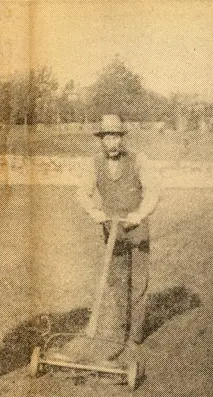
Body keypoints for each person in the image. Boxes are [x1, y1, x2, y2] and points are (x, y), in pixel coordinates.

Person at [62, 114, 159, 364]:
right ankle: (118, 332)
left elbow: (153, 192)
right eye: (107, 137)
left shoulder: (139, 160)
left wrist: (140, 214)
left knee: (138, 283)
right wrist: (94, 211)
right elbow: (82, 192)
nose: (111, 142)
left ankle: (134, 337)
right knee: (117, 282)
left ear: (122, 138)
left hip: (136, 231)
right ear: (101, 140)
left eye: (115, 136)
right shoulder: (94, 164)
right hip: (112, 231)